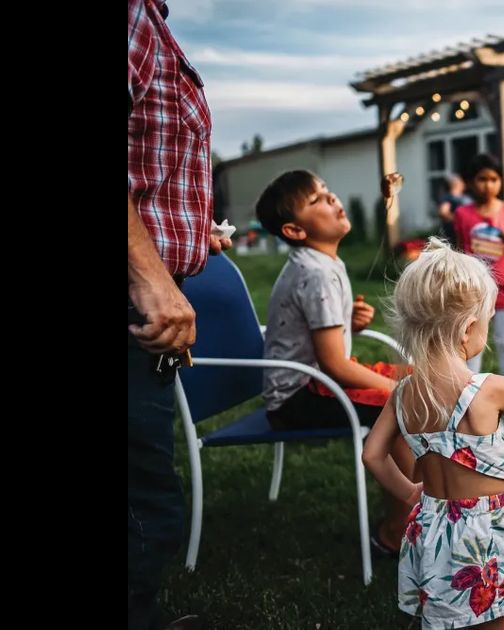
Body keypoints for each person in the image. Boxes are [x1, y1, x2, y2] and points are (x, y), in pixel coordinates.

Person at [362, 238, 504, 629]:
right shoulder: (489, 388)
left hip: (431, 524)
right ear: (469, 329)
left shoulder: (403, 392)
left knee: (440, 617)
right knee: (493, 618)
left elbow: (372, 454)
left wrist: (407, 493)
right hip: (484, 532)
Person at [256, 169, 421, 555]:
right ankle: (397, 532)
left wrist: (348, 322)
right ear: (296, 231)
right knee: (402, 403)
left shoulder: (321, 264)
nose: (331, 199)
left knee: (421, 380)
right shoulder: (315, 274)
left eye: (327, 191)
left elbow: (322, 338)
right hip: (298, 396)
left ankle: (422, 508)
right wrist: (396, 391)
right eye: (316, 200)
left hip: (315, 381)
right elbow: (334, 364)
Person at [128, 1, 229, 627]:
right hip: (136, 302)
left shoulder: (151, 18)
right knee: (141, 495)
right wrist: (151, 279)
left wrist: (191, 233)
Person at [453, 154, 504, 382]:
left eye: (494, 179)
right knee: (470, 339)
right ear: (469, 182)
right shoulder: (463, 214)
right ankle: (470, 388)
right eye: (482, 179)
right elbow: (460, 247)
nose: (488, 185)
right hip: (475, 287)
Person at [436, 174, 471, 247]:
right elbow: (443, 212)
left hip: (466, 233)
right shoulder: (448, 197)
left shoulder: (465, 197)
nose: (463, 183)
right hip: (453, 234)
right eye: (461, 181)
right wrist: (459, 220)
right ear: (456, 183)